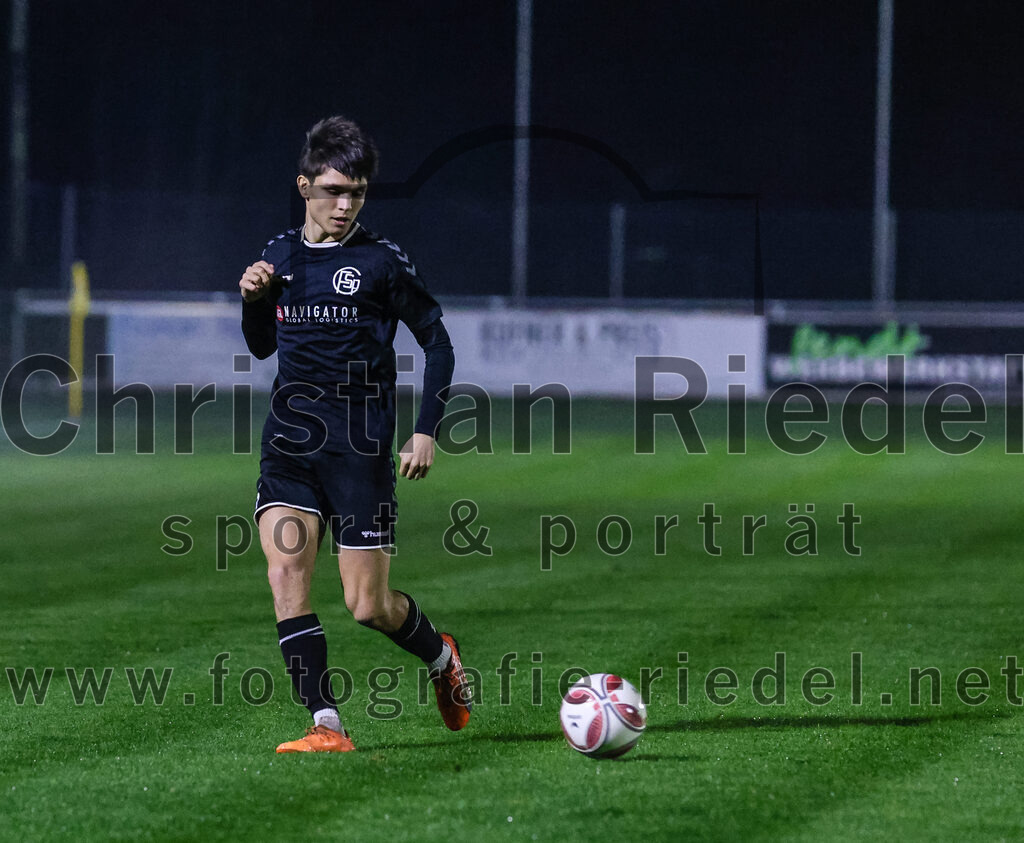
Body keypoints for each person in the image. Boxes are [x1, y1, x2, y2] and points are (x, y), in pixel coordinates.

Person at [238, 115, 470, 753]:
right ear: (305, 185)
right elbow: (261, 348)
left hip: (360, 452)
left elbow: (438, 344)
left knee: (367, 606)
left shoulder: (381, 261)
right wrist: (253, 299)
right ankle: (325, 723)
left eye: (358, 192)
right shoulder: (279, 255)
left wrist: (426, 431)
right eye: (334, 190)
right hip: (289, 445)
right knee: (286, 571)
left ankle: (440, 655)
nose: (345, 204)